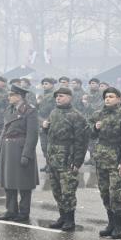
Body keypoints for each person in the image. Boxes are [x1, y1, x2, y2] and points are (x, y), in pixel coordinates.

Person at [42, 85, 88, 230]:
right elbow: (49, 134)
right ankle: (62, 217)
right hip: (53, 157)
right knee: (56, 190)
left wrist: (77, 161)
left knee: (68, 191)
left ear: (69, 98)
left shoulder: (76, 116)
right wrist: (44, 127)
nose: (58, 98)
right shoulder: (54, 112)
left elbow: (82, 141)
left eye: (61, 96)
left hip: (67, 158)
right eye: (57, 96)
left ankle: (70, 220)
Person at [91, 86, 121, 239]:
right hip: (102, 159)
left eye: (111, 96)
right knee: (105, 193)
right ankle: (110, 224)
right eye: (106, 97)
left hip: (116, 159)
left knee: (115, 194)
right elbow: (88, 133)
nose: (108, 99)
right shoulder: (99, 114)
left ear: (119, 99)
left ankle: (118, 227)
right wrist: (95, 128)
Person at [0, 82, 39, 223]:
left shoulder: (30, 111)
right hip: (9, 149)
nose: (9, 97)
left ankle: (23, 212)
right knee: (9, 183)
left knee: (24, 184)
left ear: (19, 96)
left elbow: (32, 135)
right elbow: (4, 131)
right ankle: (10, 210)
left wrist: (26, 154)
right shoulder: (10, 110)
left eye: (11, 95)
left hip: (21, 149)